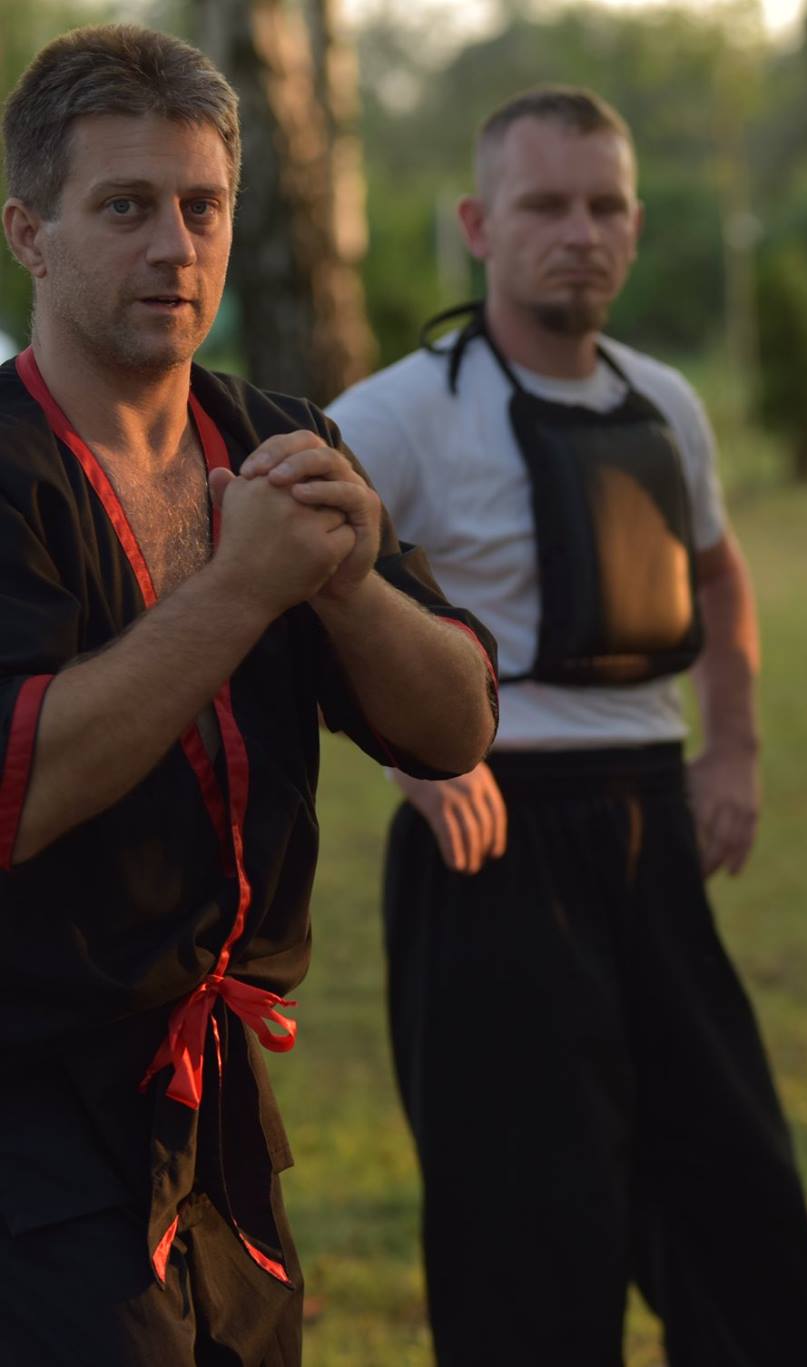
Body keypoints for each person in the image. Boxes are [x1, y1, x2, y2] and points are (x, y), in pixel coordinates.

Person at [0, 25, 498, 1366]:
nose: (175, 246)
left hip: (220, 1105)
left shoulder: (280, 441)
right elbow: (20, 787)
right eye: (125, 207)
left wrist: (345, 585)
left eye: (203, 206)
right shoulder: (10, 470)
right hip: (32, 1108)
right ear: (29, 234)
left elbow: (455, 722)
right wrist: (242, 587)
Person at [326, 86, 807, 1367]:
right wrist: (411, 758)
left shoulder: (664, 401)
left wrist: (733, 748)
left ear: (636, 225)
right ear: (477, 225)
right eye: (545, 205)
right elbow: (288, 588)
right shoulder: (400, 413)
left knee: (742, 1212)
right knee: (528, 1239)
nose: (579, 233)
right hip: (491, 845)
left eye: (605, 207)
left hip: (650, 822)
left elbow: (717, 574)